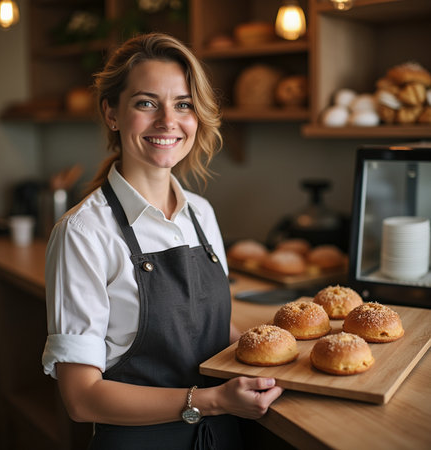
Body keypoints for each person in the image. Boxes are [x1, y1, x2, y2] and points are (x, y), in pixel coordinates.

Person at [42, 32, 282, 450]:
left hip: (223, 434)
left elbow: (210, 331)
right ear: (112, 113)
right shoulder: (83, 233)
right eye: (146, 102)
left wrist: (284, 357)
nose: (168, 121)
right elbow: (81, 398)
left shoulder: (202, 214)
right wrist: (209, 400)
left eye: (183, 104)